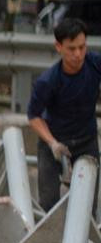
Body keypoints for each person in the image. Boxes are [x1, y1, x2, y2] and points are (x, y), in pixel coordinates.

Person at [28, 17, 101, 212]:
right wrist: (52, 142)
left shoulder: (94, 64)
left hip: (86, 142)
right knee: (48, 203)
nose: (78, 54)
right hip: (54, 144)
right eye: (72, 49)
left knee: (87, 207)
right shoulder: (48, 81)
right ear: (59, 47)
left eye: (82, 47)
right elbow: (33, 117)